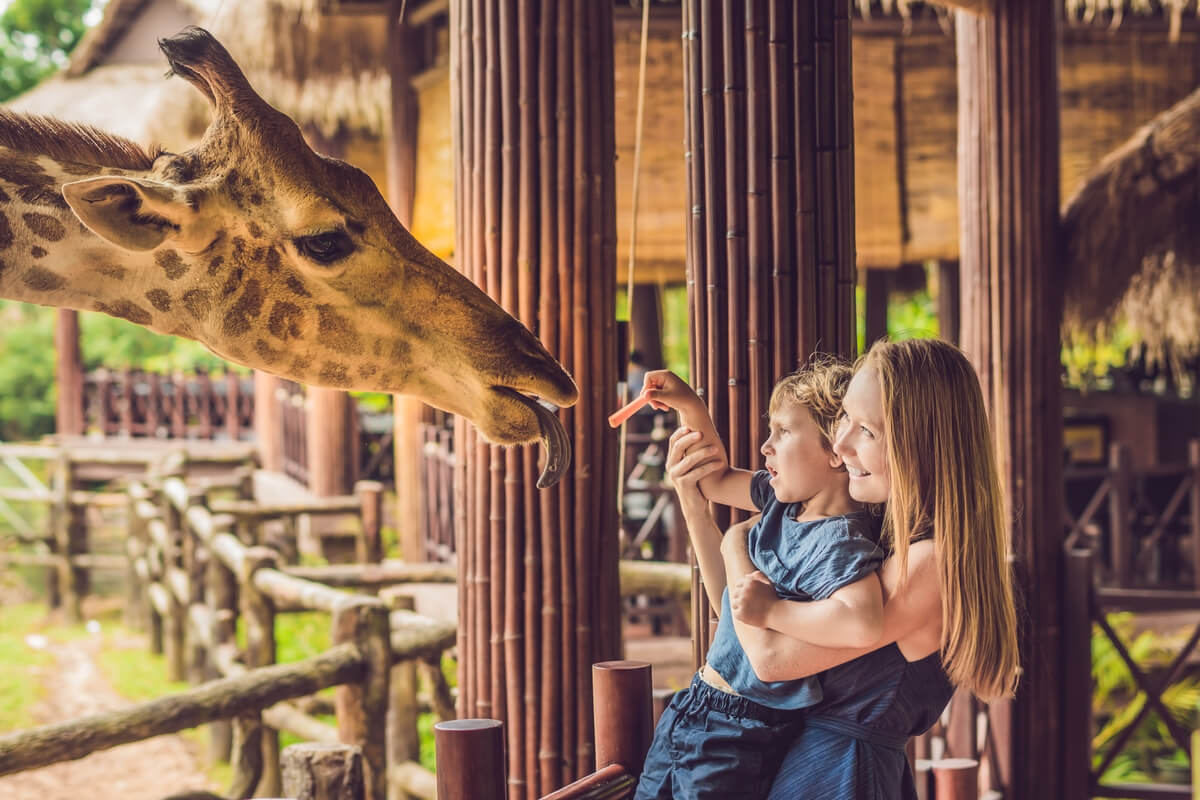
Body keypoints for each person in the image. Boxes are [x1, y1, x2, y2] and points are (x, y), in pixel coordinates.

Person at [670, 337, 1019, 798]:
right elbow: (738, 623)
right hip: (812, 767)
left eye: (866, 430)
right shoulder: (882, 532)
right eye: (846, 421)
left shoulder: (929, 563)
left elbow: (770, 658)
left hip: (842, 777)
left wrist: (737, 543)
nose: (840, 442)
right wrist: (694, 505)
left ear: (921, 443)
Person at [633, 358, 887, 800]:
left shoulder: (840, 541)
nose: (766, 447)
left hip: (739, 732)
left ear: (834, 451)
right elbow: (712, 480)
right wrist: (690, 406)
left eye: (784, 432)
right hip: (697, 703)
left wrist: (772, 611)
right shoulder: (781, 502)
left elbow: (863, 618)